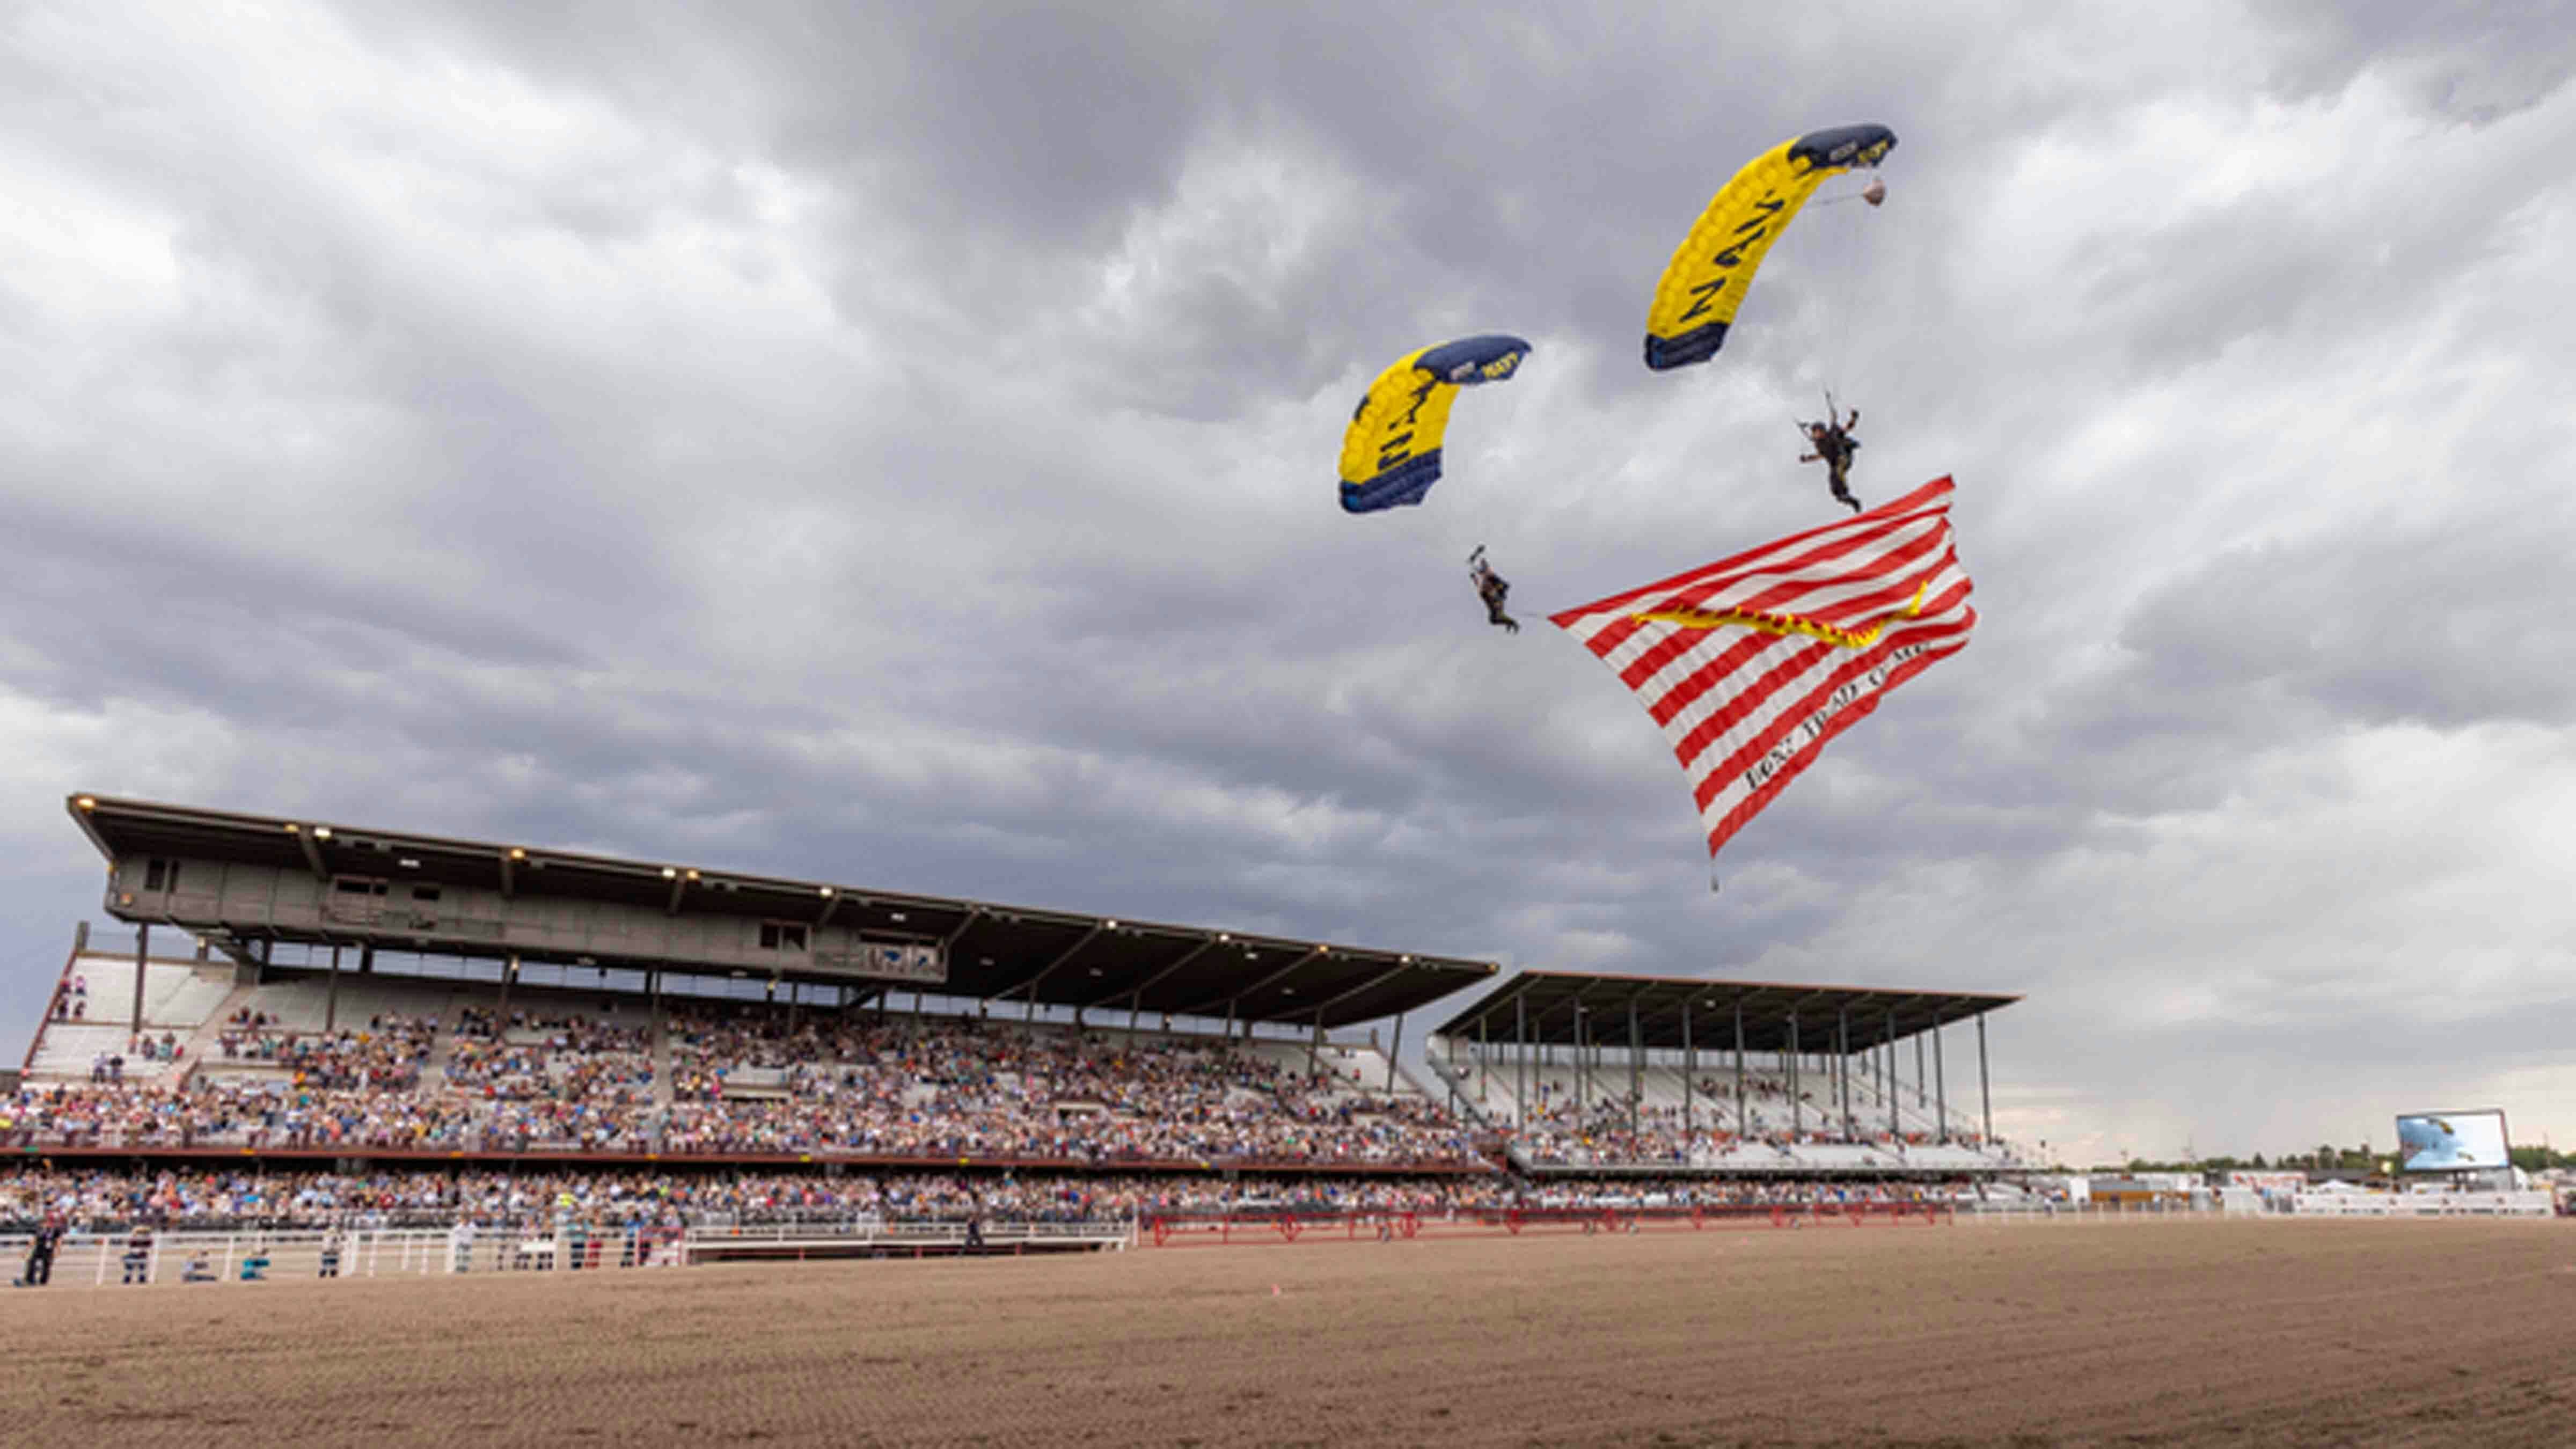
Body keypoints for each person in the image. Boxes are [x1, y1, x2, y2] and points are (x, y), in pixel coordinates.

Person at [1798, 406, 1863, 513]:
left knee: (1838, 470)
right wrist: (1807, 459)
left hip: (1844, 457)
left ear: (1823, 431)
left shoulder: (1833, 434)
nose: (1817, 434)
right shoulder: (1820, 445)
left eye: (1819, 431)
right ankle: (1849, 500)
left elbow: (1847, 428)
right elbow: (1820, 456)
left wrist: (1854, 418)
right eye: (1815, 433)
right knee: (1833, 483)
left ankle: (1845, 491)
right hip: (1834, 464)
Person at [1467, 547, 1519, 633]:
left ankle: (1479, 560)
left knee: (1487, 577)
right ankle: (1479, 560)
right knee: (1487, 577)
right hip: (1494, 591)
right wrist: (1511, 623)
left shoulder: (1493, 604)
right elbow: (1481, 582)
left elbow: (1480, 584)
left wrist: (1511, 623)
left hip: (1493, 591)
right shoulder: (1497, 608)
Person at [16, 1214, 64, 1287]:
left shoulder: (56, 1230)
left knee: (46, 1266)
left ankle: (43, 1280)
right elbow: (34, 1240)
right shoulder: (40, 1229)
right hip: (39, 1249)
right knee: (31, 1262)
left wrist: (58, 1251)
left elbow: (58, 1241)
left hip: (48, 1250)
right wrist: (25, 1250)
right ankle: (30, 1280)